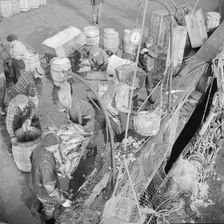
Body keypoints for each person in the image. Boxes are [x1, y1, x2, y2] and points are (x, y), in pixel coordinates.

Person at [30, 133, 72, 224]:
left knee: (43, 199)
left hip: (37, 182)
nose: (58, 148)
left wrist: (54, 172)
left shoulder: (38, 149)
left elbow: (31, 159)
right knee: (49, 209)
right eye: (57, 146)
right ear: (51, 146)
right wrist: (63, 201)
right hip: (44, 191)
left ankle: (43, 204)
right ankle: (49, 221)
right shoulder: (46, 165)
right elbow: (50, 187)